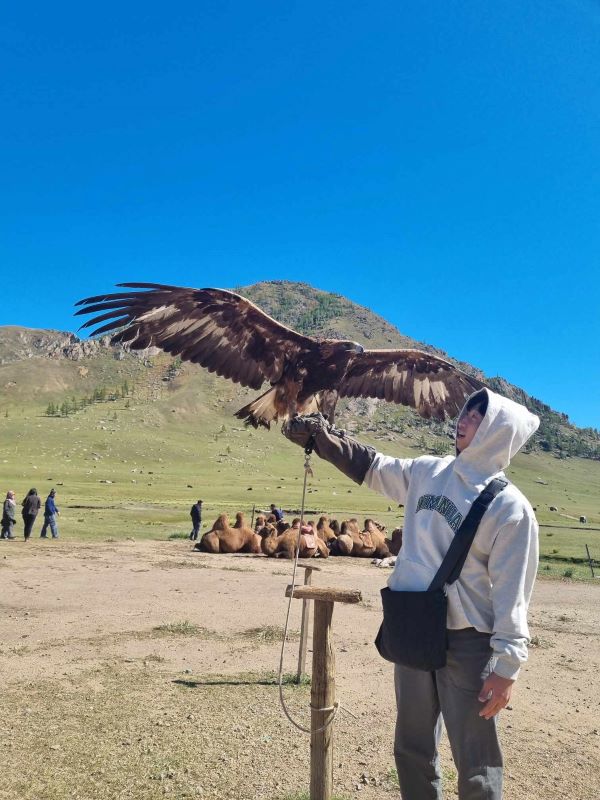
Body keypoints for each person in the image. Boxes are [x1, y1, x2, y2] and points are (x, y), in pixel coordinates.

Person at [283, 388, 539, 800]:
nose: (464, 419)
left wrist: (507, 666)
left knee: (476, 760)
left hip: (468, 642)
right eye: (466, 412)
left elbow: (515, 594)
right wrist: (324, 442)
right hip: (414, 630)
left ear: (499, 432)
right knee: (412, 749)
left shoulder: (510, 509)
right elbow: (375, 467)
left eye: (478, 416)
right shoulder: (427, 472)